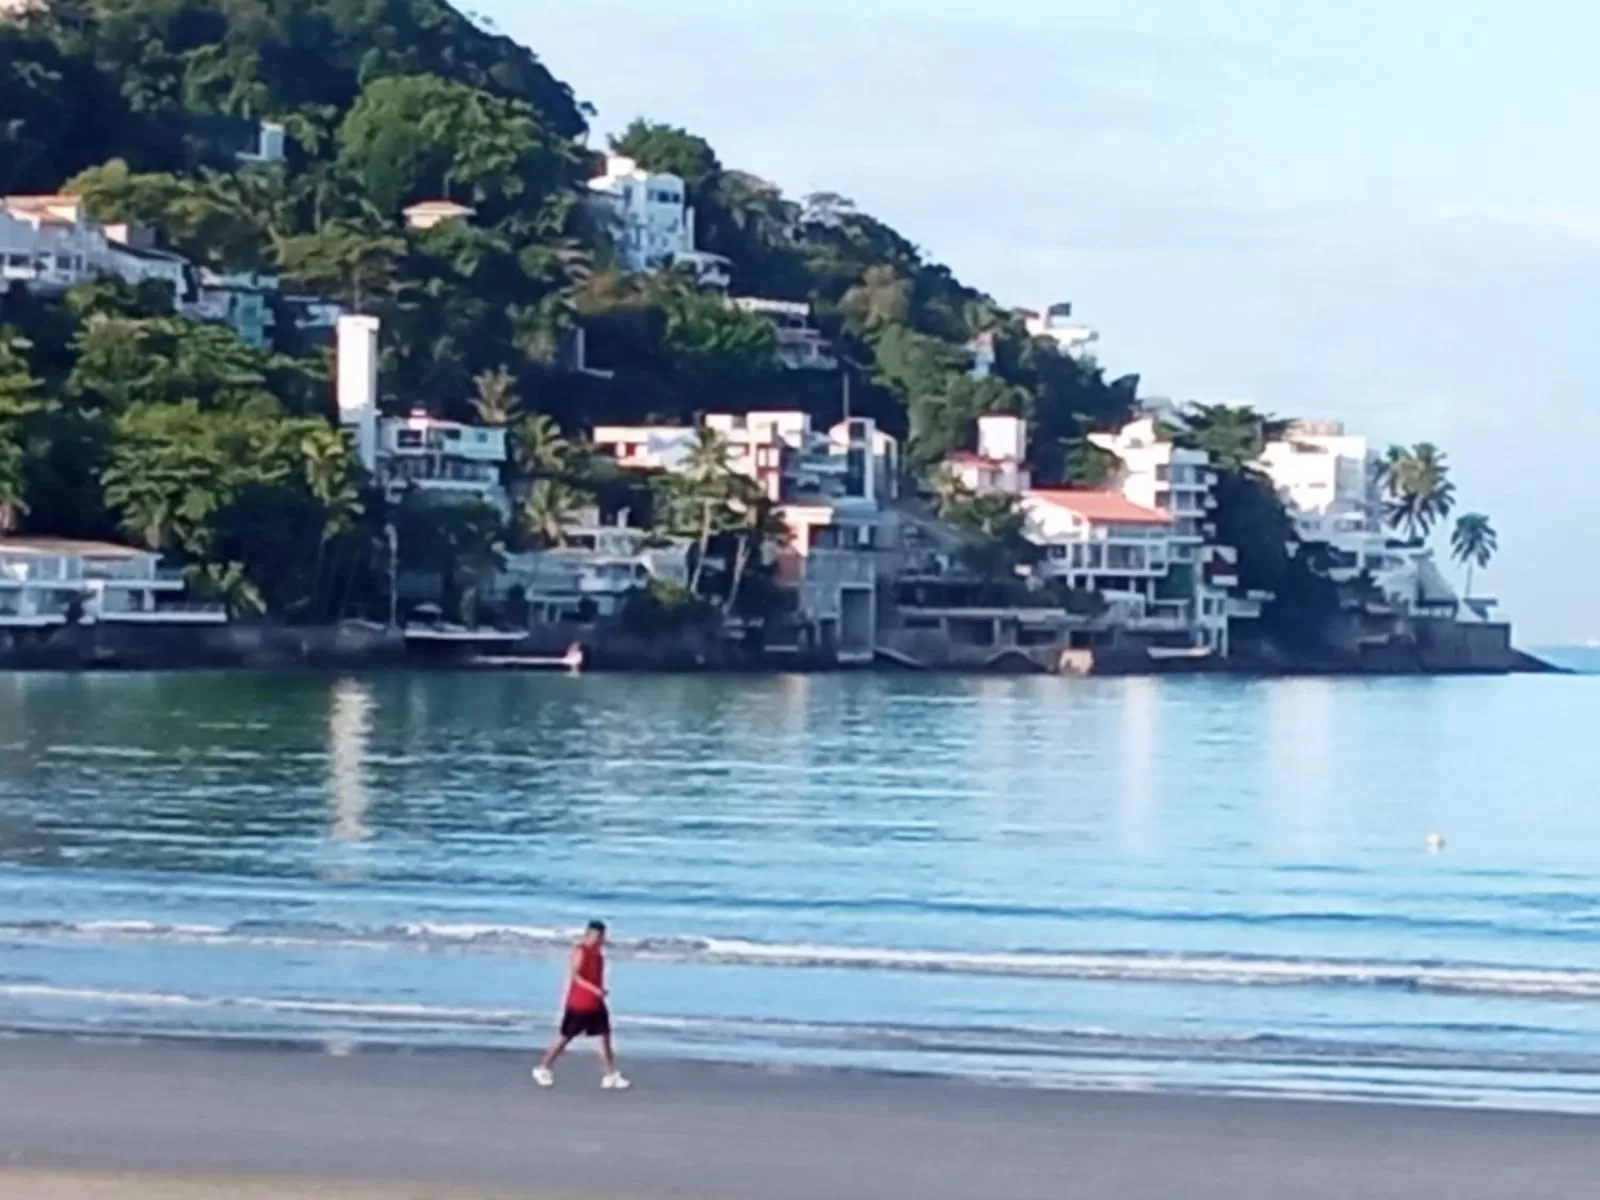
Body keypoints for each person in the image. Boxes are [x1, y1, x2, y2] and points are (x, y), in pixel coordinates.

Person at [532, 920, 630, 1090]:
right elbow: (576, 977)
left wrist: (599, 993)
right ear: (588, 934)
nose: (599, 940)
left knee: (604, 1037)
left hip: (596, 1004)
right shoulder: (580, 951)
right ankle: (543, 1067)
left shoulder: (599, 956)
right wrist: (595, 990)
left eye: (602, 937)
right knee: (565, 1037)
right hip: (579, 1003)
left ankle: (609, 1075)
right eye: (596, 936)